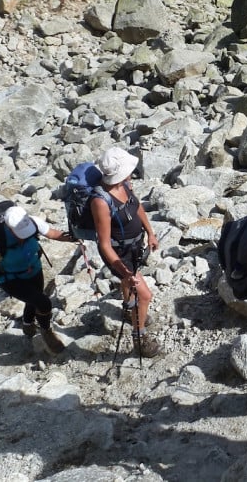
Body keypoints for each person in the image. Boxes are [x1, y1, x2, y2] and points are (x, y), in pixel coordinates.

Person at [0, 206, 73, 353]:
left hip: (34, 269)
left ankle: (27, 324)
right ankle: (46, 331)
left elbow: (52, 233)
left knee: (34, 299)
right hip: (10, 279)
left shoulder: (33, 223)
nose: (24, 236)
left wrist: (73, 237)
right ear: (9, 227)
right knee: (44, 302)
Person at [92, 147, 161, 358]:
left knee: (131, 289)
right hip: (118, 253)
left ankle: (130, 310)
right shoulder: (100, 202)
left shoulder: (125, 184)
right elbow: (104, 244)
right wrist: (125, 272)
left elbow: (136, 207)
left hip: (133, 246)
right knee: (145, 295)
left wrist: (150, 232)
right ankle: (139, 338)